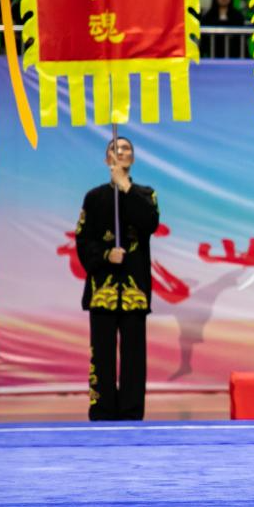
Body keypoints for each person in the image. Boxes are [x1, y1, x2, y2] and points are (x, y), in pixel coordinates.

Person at [75, 137, 159, 420]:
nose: (121, 152)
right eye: (115, 148)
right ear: (106, 159)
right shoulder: (94, 197)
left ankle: (132, 412)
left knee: (134, 356)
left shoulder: (145, 194)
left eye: (126, 149)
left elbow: (149, 223)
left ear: (132, 158)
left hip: (135, 289)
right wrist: (105, 255)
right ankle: (102, 411)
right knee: (102, 355)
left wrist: (126, 187)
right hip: (103, 290)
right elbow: (82, 240)